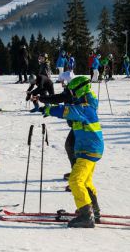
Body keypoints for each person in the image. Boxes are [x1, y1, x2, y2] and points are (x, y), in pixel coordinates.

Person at [41, 76, 103, 228]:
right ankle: (94, 211)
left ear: (79, 91)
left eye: (72, 92)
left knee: (75, 181)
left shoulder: (84, 107)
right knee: (85, 181)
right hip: (88, 149)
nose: (70, 95)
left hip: (88, 150)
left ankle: (85, 216)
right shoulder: (85, 104)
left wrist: (50, 109)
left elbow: (68, 110)